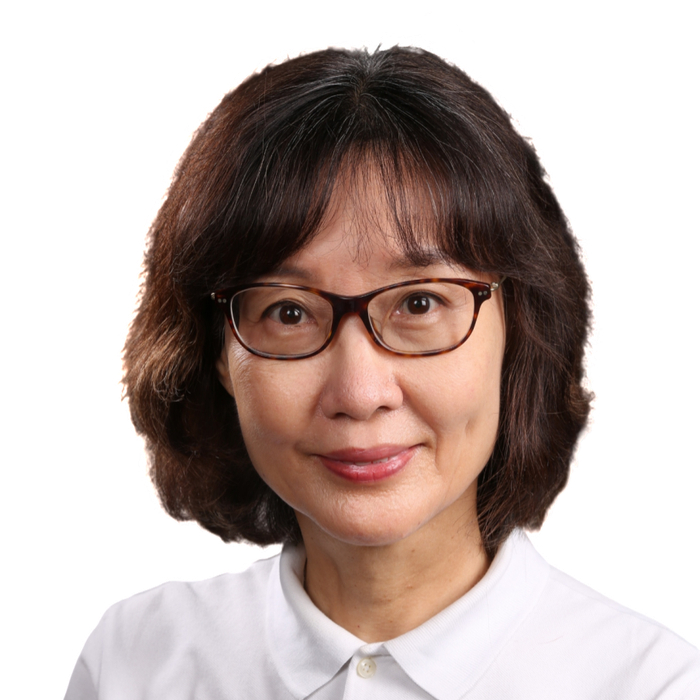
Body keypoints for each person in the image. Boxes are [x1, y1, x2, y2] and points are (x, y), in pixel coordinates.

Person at [64, 46, 700, 699]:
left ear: (518, 330)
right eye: (288, 312)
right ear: (218, 354)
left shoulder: (652, 686)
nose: (360, 394)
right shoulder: (133, 664)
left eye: (419, 304)